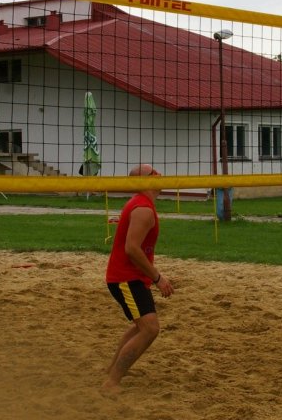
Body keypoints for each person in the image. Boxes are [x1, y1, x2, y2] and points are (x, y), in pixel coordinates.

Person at [103, 164, 175, 394]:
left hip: (129, 277)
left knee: (141, 326)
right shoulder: (142, 209)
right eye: (153, 173)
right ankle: (111, 382)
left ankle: (112, 370)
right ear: (144, 181)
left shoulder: (142, 205)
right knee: (149, 329)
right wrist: (157, 277)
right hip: (126, 278)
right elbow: (132, 249)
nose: (159, 176)